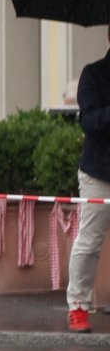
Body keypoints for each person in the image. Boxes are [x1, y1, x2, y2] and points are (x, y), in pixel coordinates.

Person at [67, 28, 110, 332]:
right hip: (99, 173)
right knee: (90, 241)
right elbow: (89, 120)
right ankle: (78, 306)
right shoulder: (94, 74)